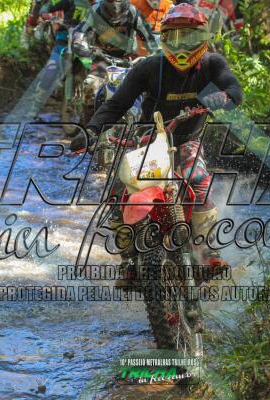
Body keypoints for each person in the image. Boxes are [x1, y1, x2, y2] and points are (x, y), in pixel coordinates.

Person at [71, 3, 243, 286]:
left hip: (187, 141)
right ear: (163, 39)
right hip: (148, 141)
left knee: (198, 179)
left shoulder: (213, 64)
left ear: (203, 37)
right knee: (118, 193)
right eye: (175, 37)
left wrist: (223, 97)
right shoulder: (149, 67)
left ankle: (207, 250)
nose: (182, 45)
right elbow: (116, 104)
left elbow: (235, 89)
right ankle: (129, 261)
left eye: (189, 36)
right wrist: (91, 131)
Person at [71, 0, 158, 124]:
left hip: (129, 61)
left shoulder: (133, 12)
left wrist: (154, 51)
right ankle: (87, 125)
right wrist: (78, 42)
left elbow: (147, 35)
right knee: (90, 86)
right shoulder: (95, 11)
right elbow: (81, 29)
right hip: (102, 60)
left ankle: (143, 126)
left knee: (147, 91)